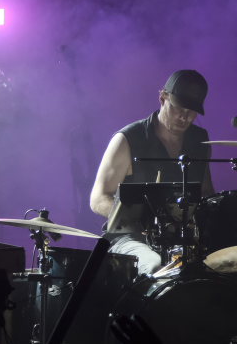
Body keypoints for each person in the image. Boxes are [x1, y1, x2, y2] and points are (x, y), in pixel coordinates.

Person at [90, 69, 214, 275]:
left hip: (180, 239)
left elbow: (206, 193)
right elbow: (98, 198)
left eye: (191, 112)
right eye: (178, 108)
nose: (184, 117)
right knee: (156, 265)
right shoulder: (128, 139)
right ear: (162, 98)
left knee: (221, 265)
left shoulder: (200, 141)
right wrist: (140, 222)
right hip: (130, 238)